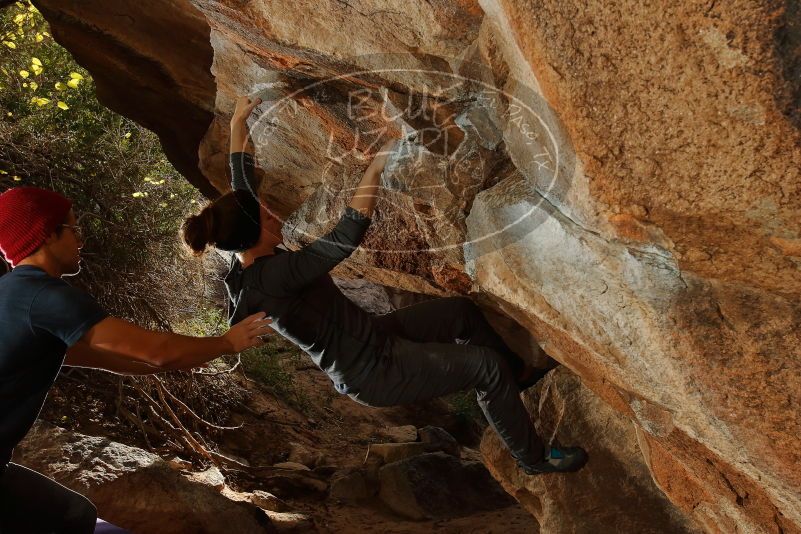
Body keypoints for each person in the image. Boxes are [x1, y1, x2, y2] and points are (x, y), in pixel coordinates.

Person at [182, 94, 588, 477]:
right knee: (485, 366)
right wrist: (374, 167)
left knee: (460, 314)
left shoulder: (244, 252)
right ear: (253, 233)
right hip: (374, 370)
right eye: (266, 219)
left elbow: (242, 187)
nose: (273, 216)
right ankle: (532, 458)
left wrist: (239, 121)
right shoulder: (271, 278)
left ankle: (514, 381)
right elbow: (344, 238)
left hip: (375, 336)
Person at [0, 186, 271, 533]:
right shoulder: (47, 297)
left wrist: (199, 354)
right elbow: (155, 353)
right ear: (48, 234)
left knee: (74, 514)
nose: (81, 240)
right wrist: (227, 342)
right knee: (72, 517)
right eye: (73, 229)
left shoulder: (13, 296)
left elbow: (115, 360)